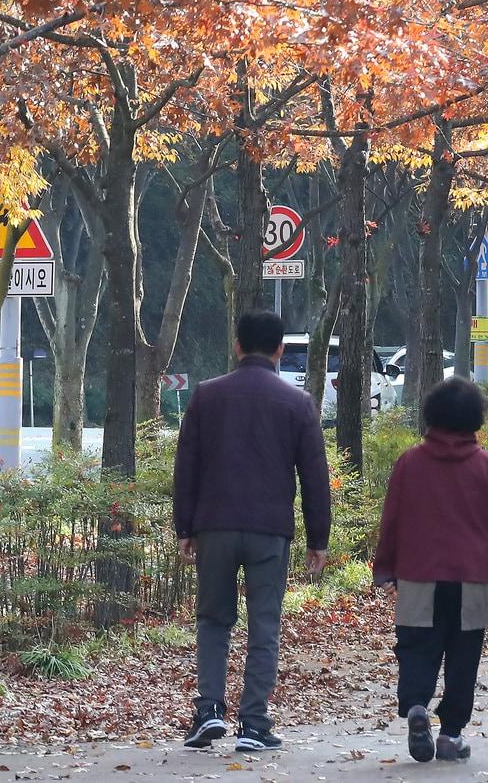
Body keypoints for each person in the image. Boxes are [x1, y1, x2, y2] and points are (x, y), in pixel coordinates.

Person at [173, 311, 331, 752]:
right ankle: (254, 723)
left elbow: (186, 467)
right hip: (269, 529)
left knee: (212, 619)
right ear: (280, 350)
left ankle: (208, 711)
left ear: (236, 345)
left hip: (215, 526)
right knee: (264, 624)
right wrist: (318, 538)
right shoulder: (298, 403)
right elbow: (314, 477)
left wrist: (184, 526)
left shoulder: (206, 396)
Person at [373, 377, 488, 764]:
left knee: (417, 647)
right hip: (472, 576)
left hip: (418, 573)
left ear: (431, 414)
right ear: (476, 417)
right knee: (463, 655)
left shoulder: (410, 462)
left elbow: (393, 521)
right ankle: (451, 734)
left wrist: (385, 569)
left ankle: (417, 705)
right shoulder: (487, 465)